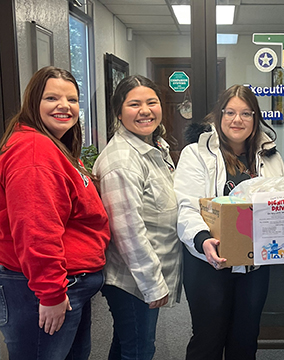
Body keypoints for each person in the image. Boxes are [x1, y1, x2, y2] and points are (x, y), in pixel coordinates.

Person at [0, 66, 110, 359]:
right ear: (33, 102)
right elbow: (36, 229)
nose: (65, 106)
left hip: (67, 284)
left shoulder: (52, 145)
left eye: (72, 100)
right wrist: (51, 293)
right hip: (47, 287)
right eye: (52, 98)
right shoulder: (34, 151)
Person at [174, 84, 284, 360]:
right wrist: (202, 241)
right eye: (231, 112)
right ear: (219, 116)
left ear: (256, 119)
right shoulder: (196, 154)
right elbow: (186, 206)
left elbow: (280, 205)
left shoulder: (270, 157)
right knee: (207, 340)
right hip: (209, 262)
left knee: (245, 340)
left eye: (246, 114)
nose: (238, 120)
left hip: (255, 265)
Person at [93, 75, 183, 360]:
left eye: (151, 102)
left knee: (126, 344)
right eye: (134, 104)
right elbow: (128, 232)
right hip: (132, 281)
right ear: (119, 112)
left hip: (142, 276)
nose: (145, 110)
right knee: (139, 350)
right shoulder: (122, 161)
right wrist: (153, 285)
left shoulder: (153, 145)